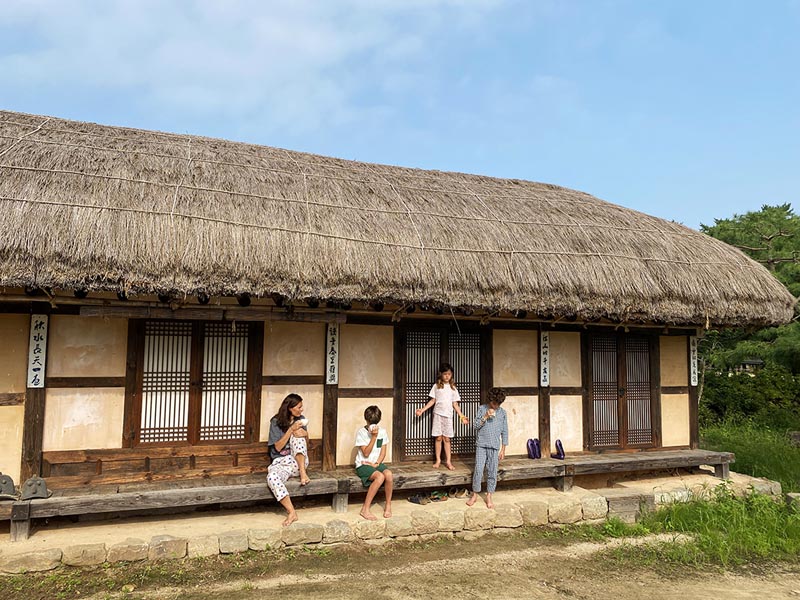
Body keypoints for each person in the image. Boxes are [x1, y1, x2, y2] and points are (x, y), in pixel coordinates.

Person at [267, 393, 311, 526]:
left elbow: (305, 445)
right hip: (281, 463)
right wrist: (291, 430)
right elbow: (278, 447)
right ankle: (292, 512)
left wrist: (306, 435)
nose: (301, 410)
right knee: (272, 477)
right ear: (290, 408)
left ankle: (303, 473)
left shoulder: (301, 420)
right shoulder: (275, 422)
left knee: (298, 437)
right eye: (299, 407)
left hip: (298, 463)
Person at [415, 362, 469, 470]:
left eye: (449, 374)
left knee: (447, 439)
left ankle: (448, 461)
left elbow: (455, 404)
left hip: (448, 416)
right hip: (438, 414)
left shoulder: (453, 388)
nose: (447, 376)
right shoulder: (436, 386)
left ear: (451, 375)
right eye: (445, 374)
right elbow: (433, 400)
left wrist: (462, 416)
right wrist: (422, 410)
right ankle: (438, 460)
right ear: (441, 374)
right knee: (438, 438)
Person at [467, 387, 508, 509]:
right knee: (478, 470)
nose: (495, 406)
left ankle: (489, 496)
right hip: (481, 445)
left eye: (498, 404)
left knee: (492, 471)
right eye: (494, 403)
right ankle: (474, 494)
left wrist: (503, 449)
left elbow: (505, 431)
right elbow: (475, 426)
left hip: (495, 446)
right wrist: (485, 416)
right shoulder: (482, 409)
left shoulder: (502, 413)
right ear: (490, 400)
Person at [354, 405, 393, 520]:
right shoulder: (361, 432)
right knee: (380, 477)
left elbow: (383, 453)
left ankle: (388, 505)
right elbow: (365, 453)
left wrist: (377, 463)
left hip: (376, 463)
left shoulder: (383, 432)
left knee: (389, 475)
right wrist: (373, 437)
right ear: (366, 420)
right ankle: (365, 509)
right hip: (363, 464)